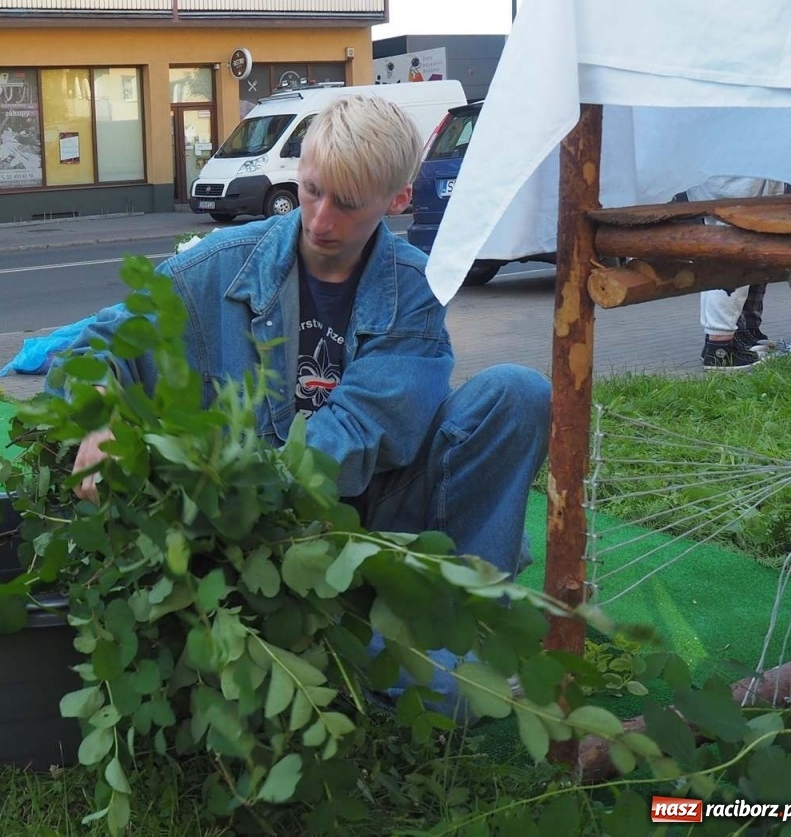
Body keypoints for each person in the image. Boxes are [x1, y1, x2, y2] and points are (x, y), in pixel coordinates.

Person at [55, 95, 550, 714]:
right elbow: (97, 343)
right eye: (312, 191)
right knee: (443, 700)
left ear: (396, 200)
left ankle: (461, 617)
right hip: (257, 552)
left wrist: (222, 486)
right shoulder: (216, 267)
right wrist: (100, 419)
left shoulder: (417, 289)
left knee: (518, 392)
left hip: (381, 525)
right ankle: (403, 660)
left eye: (347, 204)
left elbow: (356, 434)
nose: (320, 221)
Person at [684, 177, 786, 371]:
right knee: (730, 264)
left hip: (724, 188)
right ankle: (720, 348)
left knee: (723, 262)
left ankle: (719, 344)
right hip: (733, 190)